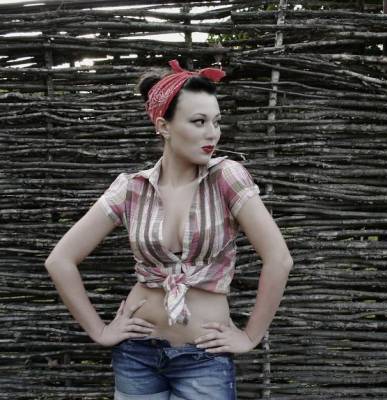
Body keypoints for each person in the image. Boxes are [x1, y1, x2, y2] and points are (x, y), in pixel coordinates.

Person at [44, 59, 294, 400]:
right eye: (199, 121)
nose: (212, 133)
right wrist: (100, 331)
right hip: (137, 355)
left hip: (203, 357)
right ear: (163, 126)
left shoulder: (226, 177)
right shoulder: (130, 188)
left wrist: (250, 336)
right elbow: (60, 260)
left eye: (217, 121)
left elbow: (279, 259)